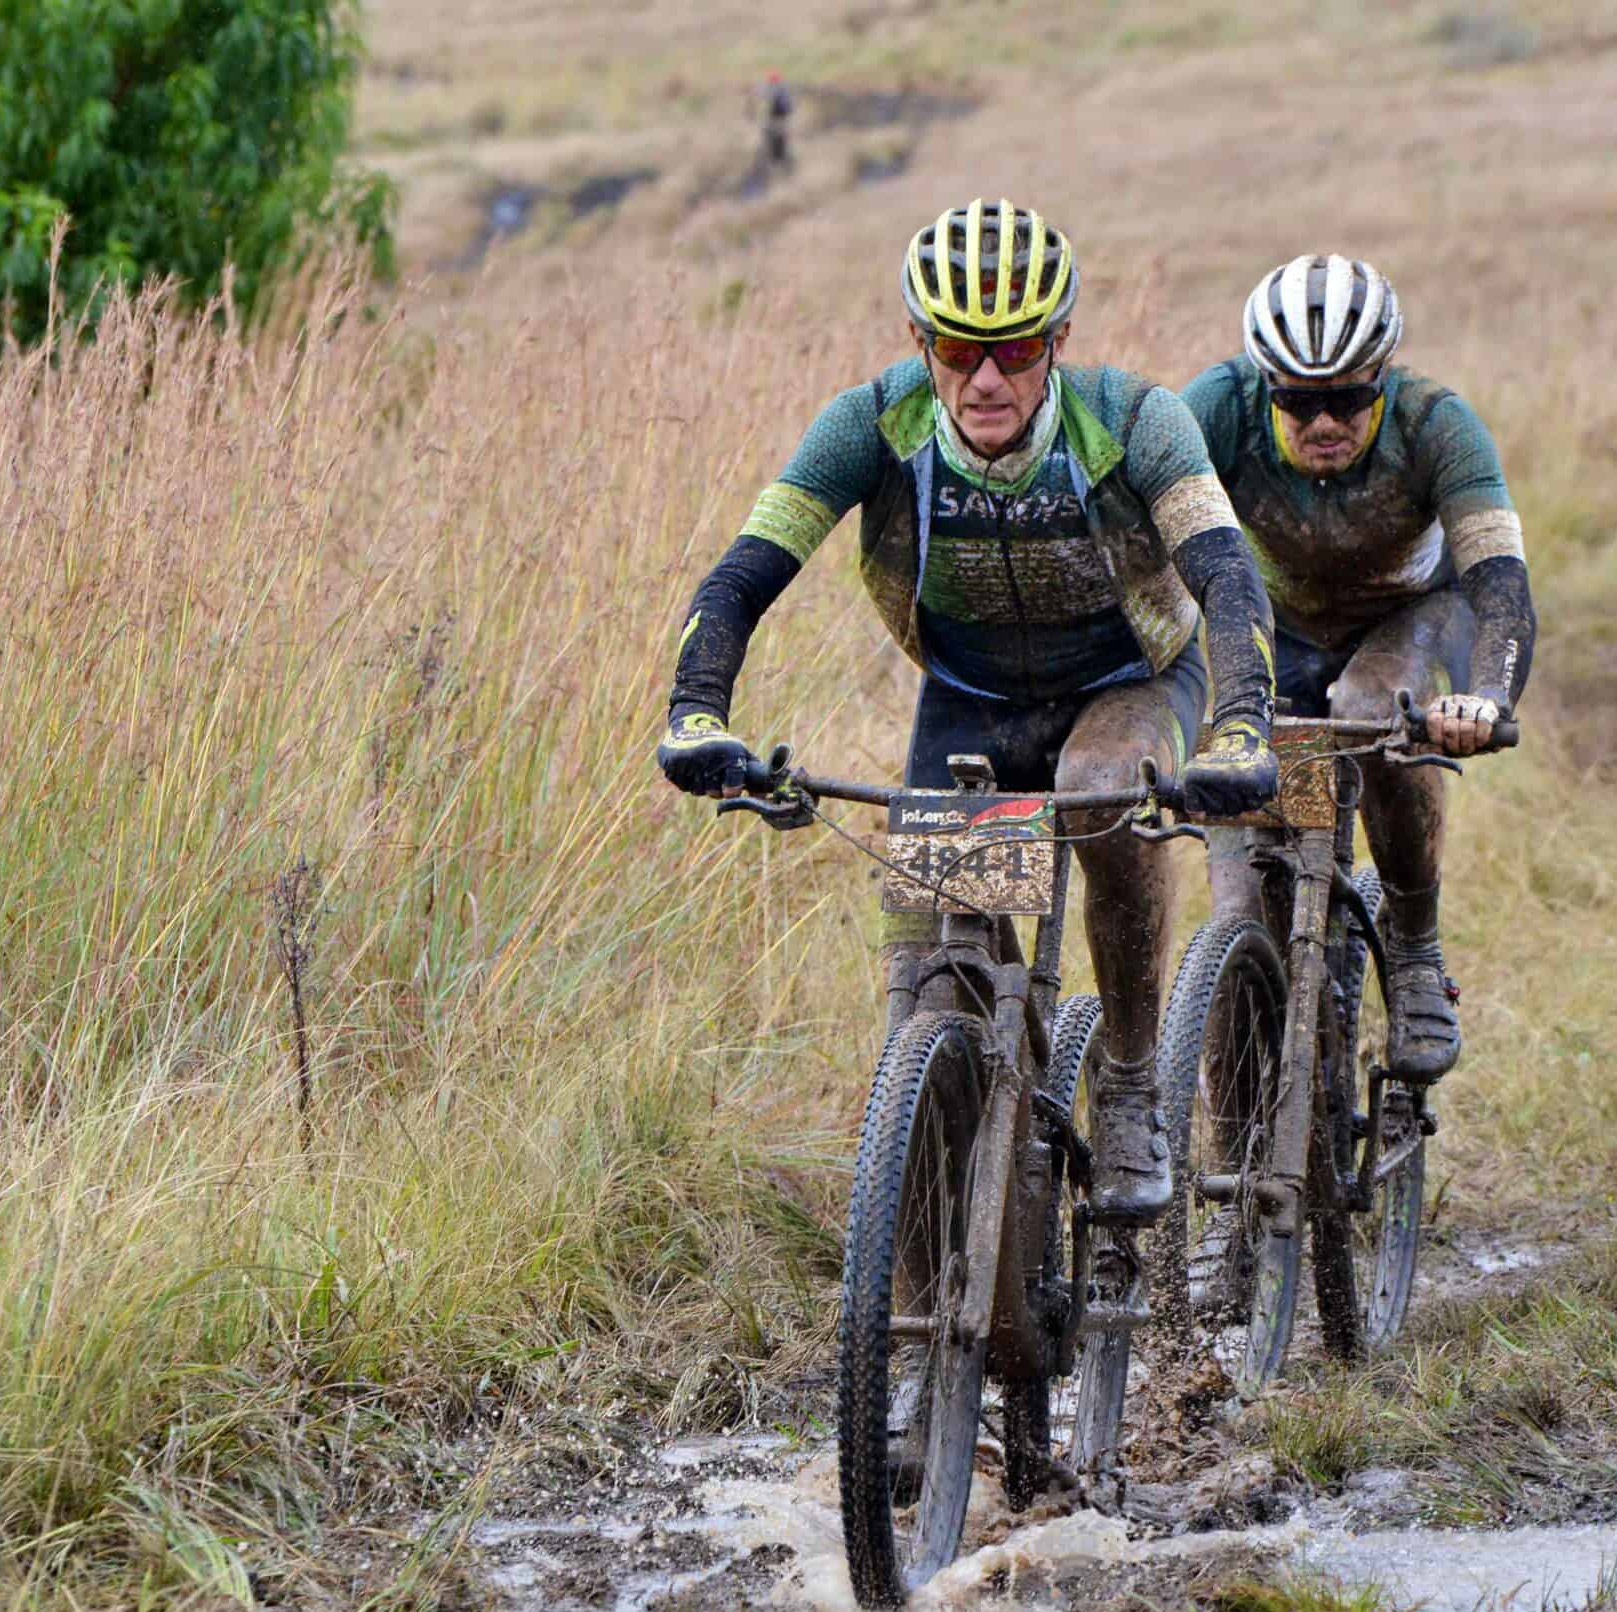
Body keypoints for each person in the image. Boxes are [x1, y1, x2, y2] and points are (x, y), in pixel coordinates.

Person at [657, 199, 1280, 1225]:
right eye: (957, 347)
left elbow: (1228, 581)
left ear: (1058, 341)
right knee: (928, 983)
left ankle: (1127, 1086)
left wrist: (1242, 726)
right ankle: (934, 1236)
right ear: (919, 340)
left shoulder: (1134, 421)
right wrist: (695, 714)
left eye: (1017, 347)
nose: (985, 378)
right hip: (971, 702)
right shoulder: (868, 424)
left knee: (1099, 793)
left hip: (1128, 682)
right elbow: (739, 580)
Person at [1182, 254, 1536, 1083]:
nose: (1324, 420)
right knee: (1245, 885)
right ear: (1266, 385)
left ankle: (1414, 950)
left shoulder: (1436, 424)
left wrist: (1487, 697)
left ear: (1383, 376)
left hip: (1412, 615)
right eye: (1299, 403)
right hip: (1275, 628)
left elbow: (1501, 588)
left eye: (1348, 397)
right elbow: (1141, 555)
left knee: (1373, 701)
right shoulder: (1215, 412)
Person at [760, 71, 793, 171]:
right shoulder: (784, 88)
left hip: (778, 117)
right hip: (781, 118)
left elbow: (765, 94)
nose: (770, 83)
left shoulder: (778, 88)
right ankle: (780, 159)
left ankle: (777, 160)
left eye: (771, 81)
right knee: (778, 137)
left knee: (774, 137)